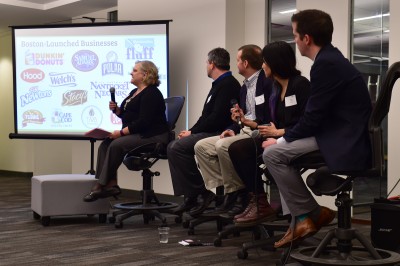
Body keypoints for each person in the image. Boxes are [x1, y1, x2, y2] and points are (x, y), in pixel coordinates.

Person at [262, 9, 372, 248]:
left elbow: (312, 118)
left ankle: (305, 216)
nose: (295, 41)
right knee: (277, 153)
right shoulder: (330, 59)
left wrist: (281, 140)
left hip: (343, 138)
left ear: (306, 38)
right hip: (337, 132)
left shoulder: (325, 65)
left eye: (295, 35)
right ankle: (304, 218)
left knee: (273, 153)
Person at [228, 41, 311, 227]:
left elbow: (308, 122)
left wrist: (280, 133)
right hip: (278, 137)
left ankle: (280, 210)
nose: (262, 65)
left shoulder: (300, 85)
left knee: (248, 150)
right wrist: (251, 123)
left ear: (276, 63)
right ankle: (259, 200)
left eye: (265, 61)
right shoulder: (276, 88)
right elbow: (272, 123)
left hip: (298, 137)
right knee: (237, 148)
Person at [193, 44, 273, 218]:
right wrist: (232, 127)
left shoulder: (266, 82)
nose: (235, 64)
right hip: (242, 130)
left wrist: (247, 123)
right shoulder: (244, 87)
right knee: (201, 146)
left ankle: (236, 194)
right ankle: (228, 191)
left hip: (259, 131)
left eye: (237, 60)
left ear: (245, 63)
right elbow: (242, 117)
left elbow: (267, 116)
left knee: (222, 145)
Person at [167, 47, 241, 216]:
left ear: (212, 64)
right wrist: (191, 131)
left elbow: (215, 119)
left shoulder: (228, 85)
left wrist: (192, 133)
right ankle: (192, 196)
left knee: (176, 148)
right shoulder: (219, 84)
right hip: (210, 130)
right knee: (175, 145)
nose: (206, 66)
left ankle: (201, 194)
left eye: (206, 63)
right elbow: (205, 116)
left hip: (219, 133)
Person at [83, 60, 170, 202]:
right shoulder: (134, 92)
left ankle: (100, 185)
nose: (131, 72)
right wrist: (118, 111)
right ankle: (111, 185)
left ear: (145, 74)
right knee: (106, 143)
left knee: (117, 144)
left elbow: (144, 122)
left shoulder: (152, 93)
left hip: (154, 136)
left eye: (135, 70)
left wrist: (121, 133)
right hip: (139, 134)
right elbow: (129, 115)